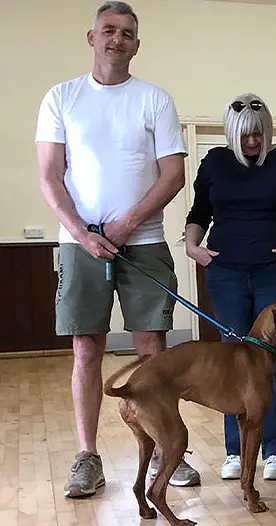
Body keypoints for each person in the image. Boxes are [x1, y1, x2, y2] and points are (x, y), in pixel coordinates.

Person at [35, 1, 198, 498]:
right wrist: (84, 233)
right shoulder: (61, 98)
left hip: (143, 243)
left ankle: (166, 453)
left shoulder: (155, 100)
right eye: (109, 30)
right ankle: (88, 458)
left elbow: (173, 174)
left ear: (136, 44)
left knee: (153, 351)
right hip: (78, 245)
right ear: (91, 38)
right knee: (87, 348)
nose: (117, 39)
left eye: (127, 33)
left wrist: (127, 223)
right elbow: (49, 176)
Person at [185, 92, 276, 482]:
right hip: (226, 272)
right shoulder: (214, 162)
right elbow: (199, 213)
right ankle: (236, 449)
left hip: (275, 269)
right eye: (245, 136)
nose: (252, 142)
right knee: (232, 359)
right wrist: (193, 247)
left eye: (259, 134)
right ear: (231, 133)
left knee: (272, 359)